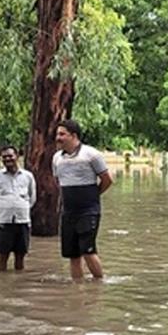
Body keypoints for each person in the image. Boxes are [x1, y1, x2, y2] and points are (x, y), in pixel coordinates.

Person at [52, 119, 113, 280]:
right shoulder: (57, 158)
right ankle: (77, 290)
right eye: (57, 134)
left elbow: (107, 180)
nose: (57, 137)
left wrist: (93, 196)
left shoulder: (91, 155)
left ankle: (99, 285)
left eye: (62, 134)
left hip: (88, 211)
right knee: (73, 254)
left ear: (73, 135)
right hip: (68, 212)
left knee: (88, 251)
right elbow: (58, 182)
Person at [0, 146, 36, 271]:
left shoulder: (28, 176)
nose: (7, 159)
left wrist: (22, 208)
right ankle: (2, 285)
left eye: (10, 156)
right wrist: (1, 213)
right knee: (2, 257)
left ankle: (18, 284)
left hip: (23, 221)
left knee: (20, 257)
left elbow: (32, 198)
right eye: (4, 157)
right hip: (4, 222)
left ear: (17, 157)